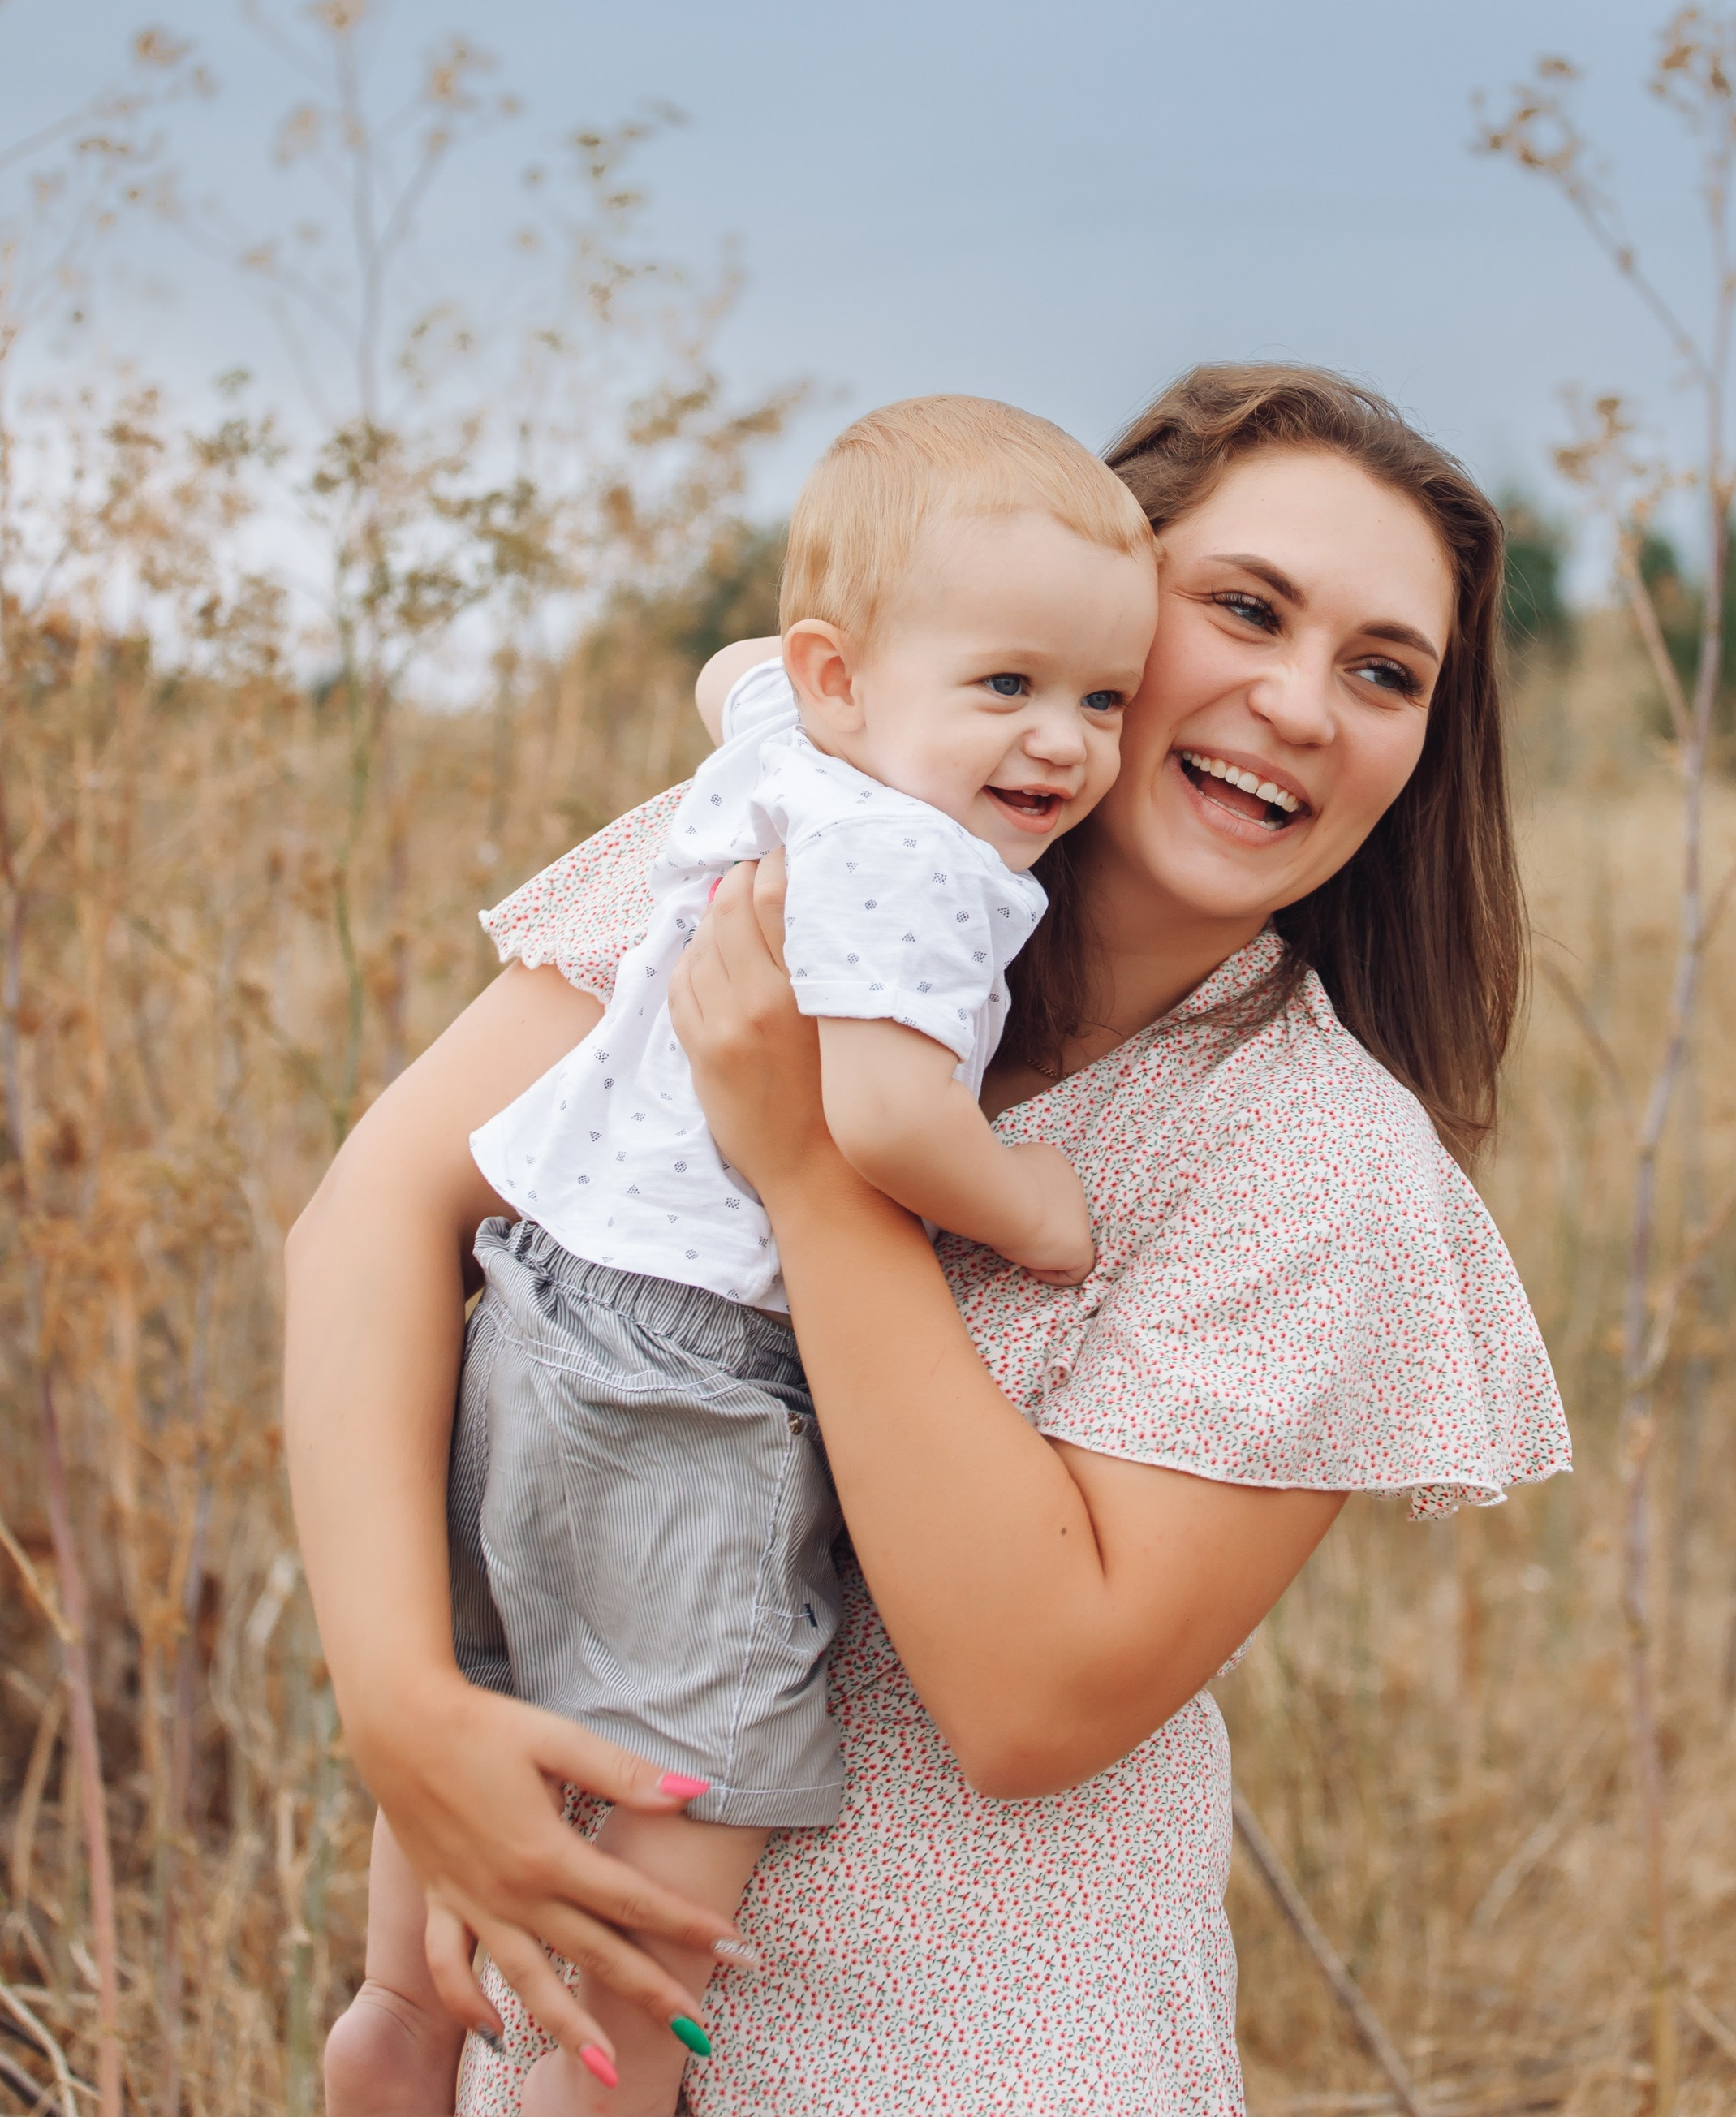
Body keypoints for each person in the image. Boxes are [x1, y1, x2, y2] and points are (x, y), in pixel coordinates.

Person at [291, 362, 1570, 2117]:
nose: (1294, 702)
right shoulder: (782, 840)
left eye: (1380, 672)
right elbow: (381, 1208)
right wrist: (398, 1705)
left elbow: (1029, 1695)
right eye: (1244, 610)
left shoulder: (1318, 1167)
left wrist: (812, 1171)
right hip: (557, 2027)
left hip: (971, 2060)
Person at [335, 396, 1157, 2115]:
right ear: (851, 675)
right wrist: (1032, 1208)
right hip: (696, 1375)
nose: (1060, 747)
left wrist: (841, 668)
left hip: (536, 1306)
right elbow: (875, 1115)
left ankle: (396, 2031)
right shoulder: (921, 862)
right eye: (1005, 687)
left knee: (491, 1674)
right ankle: (601, 2081)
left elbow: (733, 668)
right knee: (685, 1809)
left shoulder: (788, 737)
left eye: (1101, 698)